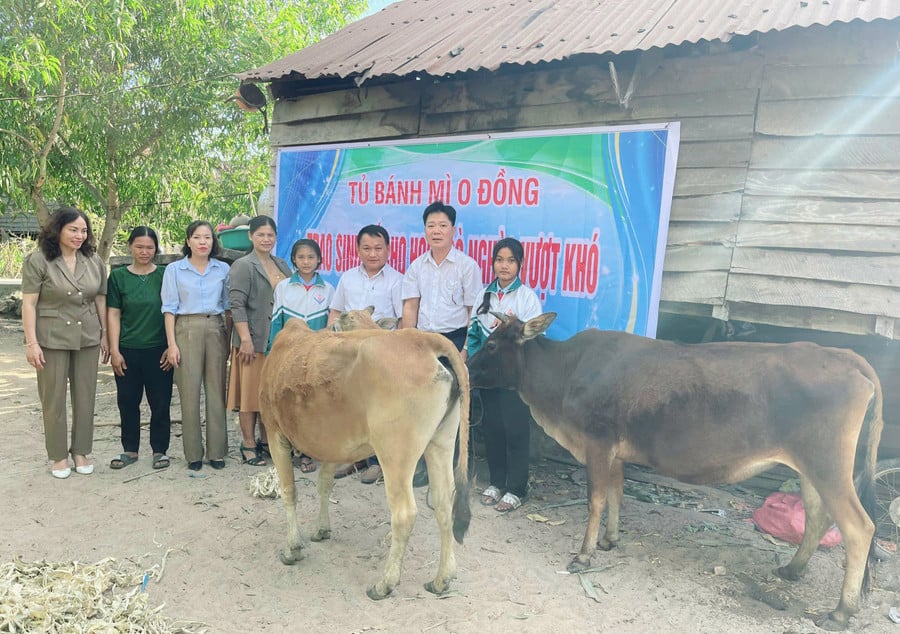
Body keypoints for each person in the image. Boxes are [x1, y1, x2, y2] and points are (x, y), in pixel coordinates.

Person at [21, 206, 109, 479]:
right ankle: (58, 455)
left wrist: (105, 333)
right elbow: (29, 303)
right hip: (51, 338)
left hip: (87, 336)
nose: (79, 235)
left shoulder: (93, 260)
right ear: (57, 229)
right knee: (53, 398)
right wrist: (31, 343)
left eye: (84, 230)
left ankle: (81, 451)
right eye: (73, 229)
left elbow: (100, 299)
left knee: (86, 396)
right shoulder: (38, 260)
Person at [401, 201, 482, 486]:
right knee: (421, 407)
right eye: (431, 226)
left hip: (455, 341)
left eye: (442, 226)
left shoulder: (467, 266)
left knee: (455, 409)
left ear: (453, 231)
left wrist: (465, 350)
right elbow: (410, 307)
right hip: (423, 344)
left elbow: (475, 313)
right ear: (424, 230)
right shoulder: (416, 266)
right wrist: (406, 346)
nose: (436, 231)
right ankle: (424, 468)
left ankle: (459, 472)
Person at [467, 238, 542, 513]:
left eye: (511, 260)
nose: (504, 265)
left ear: (520, 264)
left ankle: (517, 488)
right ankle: (496, 482)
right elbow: (474, 334)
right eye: (499, 259)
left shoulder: (527, 297)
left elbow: (535, 341)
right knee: (492, 430)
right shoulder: (483, 296)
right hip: (488, 379)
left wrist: (512, 328)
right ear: (493, 263)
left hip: (513, 382)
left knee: (516, 432)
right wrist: (475, 370)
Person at [327, 224, 403, 484]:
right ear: (358, 250)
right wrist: (329, 339)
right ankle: (350, 457)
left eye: (378, 248)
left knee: (376, 408)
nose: (373, 254)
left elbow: (401, 320)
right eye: (367, 248)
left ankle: (375, 461)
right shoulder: (347, 278)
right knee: (347, 403)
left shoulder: (397, 280)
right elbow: (336, 311)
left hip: (379, 355)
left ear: (388, 250)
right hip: (347, 354)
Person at [161, 220, 230, 471]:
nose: (203, 242)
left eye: (208, 237)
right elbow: (168, 309)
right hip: (185, 329)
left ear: (214, 241)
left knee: (216, 390)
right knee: (188, 392)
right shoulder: (175, 270)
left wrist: (229, 338)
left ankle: (217, 451)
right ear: (188, 241)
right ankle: (193, 454)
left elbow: (228, 306)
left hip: (215, 328)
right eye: (198, 237)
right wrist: (172, 344)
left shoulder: (222, 269)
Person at [107, 226, 174, 471]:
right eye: (139, 247)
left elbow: (172, 311)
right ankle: (130, 450)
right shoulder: (118, 277)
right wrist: (114, 350)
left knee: (160, 402)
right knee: (127, 401)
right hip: (127, 350)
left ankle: (160, 450)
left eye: (149, 247)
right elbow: (113, 313)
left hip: (159, 350)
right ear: (130, 246)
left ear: (156, 249)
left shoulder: (167, 274)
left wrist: (171, 346)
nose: (145, 252)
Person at [226, 215, 291, 467]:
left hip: (277, 342)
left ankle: (266, 442)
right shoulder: (243, 265)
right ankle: (248, 444)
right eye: (261, 234)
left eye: (270, 235)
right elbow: (237, 305)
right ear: (250, 236)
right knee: (250, 396)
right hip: (252, 340)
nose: (266, 239)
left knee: (269, 397)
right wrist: (245, 339)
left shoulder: (283, 264)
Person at [268, 237, 335, 473]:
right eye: (301, 257)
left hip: (317, 356)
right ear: (294, 260)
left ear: (319, 260)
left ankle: (313, 451)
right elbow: (277, 321)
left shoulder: (328, 290)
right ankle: (294, 450)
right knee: (293, 401)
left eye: (311, 257)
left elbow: (331, 325)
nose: (306, 262)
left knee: (315, 402)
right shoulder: (284, 287)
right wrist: (272, 351)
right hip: (291, 355)